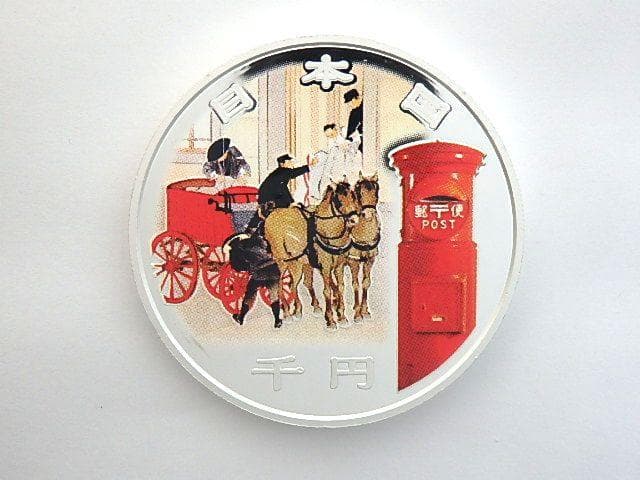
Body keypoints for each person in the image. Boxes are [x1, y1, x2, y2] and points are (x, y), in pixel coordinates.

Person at [246, 153, 316, 233]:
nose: (291, 164)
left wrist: (291, 202)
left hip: (268, 199)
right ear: (282, 164)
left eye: (291, 162)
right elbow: (293, 174)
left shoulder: (280, 173)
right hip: (270, 200)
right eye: (289, 162)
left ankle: (251, 229)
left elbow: (283, 188)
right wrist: (310, 166)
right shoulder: (282, 171)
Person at [227, 234, 282, 328]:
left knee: (250, 294)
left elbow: (239, 267)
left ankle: (241, 317)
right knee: (274, 296)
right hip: (274, 271)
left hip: (259, 274)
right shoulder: (262, 241)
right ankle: (277, 319)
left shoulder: (241, 249)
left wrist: (250, 267)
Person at [344, 89, 363, 153]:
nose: (350, 105)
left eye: (350, 102)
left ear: (355, 98)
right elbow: (351, 129)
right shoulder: (354, 112)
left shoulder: (364, 108)